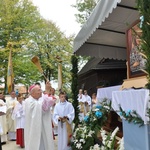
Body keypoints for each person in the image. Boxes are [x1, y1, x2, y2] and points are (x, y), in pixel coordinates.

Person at [24, 83, 55, 150]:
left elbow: (48, 103)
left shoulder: (39, 100)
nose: (41, 92)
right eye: (39, 90)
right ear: (33, 93)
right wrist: (47, 90)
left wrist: (48, 92)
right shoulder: (28, 101)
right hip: (34, 130)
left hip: (43, 129)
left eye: (41, 90)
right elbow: (42, 107)